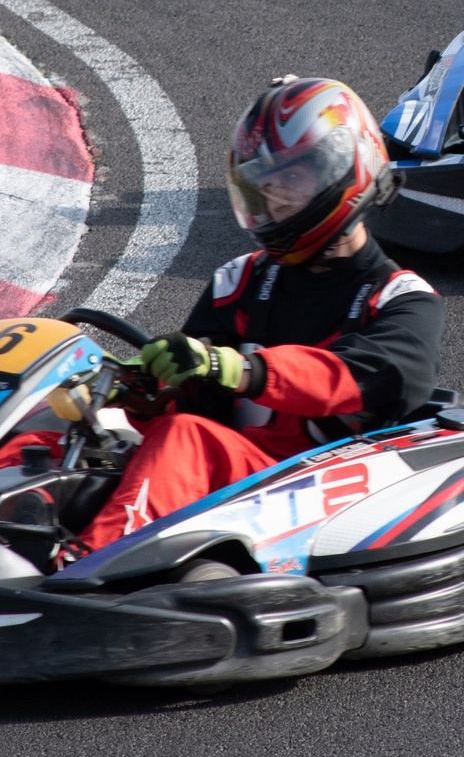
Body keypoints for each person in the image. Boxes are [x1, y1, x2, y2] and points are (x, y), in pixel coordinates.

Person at [77, 76, 444, 556]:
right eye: (266, 185)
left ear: (343, 169)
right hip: (245, 485)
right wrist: (150, 393)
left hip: (333, 494)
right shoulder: (241, 282)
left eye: (293, 177)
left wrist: (242, 370)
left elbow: (353, 376)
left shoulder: (403, 299)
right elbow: (198, 405)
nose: (276, 200)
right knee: (70, 423)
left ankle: (89, 565)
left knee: (185, 440)